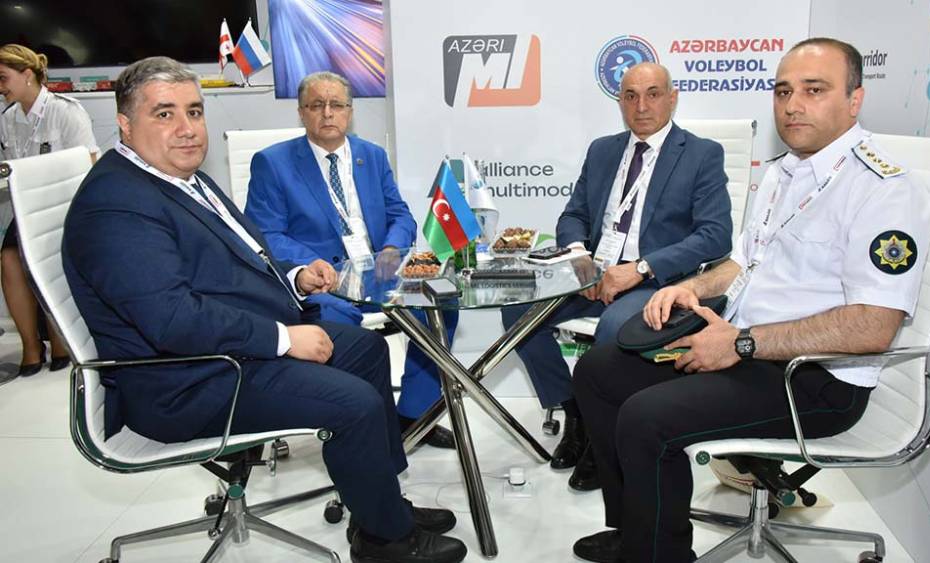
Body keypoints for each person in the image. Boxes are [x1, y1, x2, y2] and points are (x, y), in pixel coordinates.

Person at [62, 57, 466, 563]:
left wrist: (295, 277)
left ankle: (381, 503)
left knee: (366, 351)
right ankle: (387, 542)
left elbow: (247, 256)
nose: (187, 129)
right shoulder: (117, 204)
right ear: (125, 123)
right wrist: (283, 338)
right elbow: (172, 320)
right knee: (355, 403)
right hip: (188, 378)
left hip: (227, 346)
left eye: (194, 111)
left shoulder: (177, 178)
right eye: (164, 114)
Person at [570, 38, 930, 563]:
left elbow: (872, 326)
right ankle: (637, 533)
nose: (793, 105)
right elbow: (742, 264)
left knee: (647, 419)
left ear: (854, 99)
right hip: (748, 350)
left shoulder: (884, 191)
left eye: (814, 90)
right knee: (598, 373)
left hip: (815, 377)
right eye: (783, 91)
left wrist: (740, 343)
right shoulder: (784, 172)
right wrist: (690, 288)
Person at [500, 62, 733, 489]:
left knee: (614, 329)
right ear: (620, 102)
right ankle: (575, 412)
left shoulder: (701, 154)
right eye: (630, 96)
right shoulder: (603, 150)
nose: (641, 106)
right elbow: (574, 215)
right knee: (518, 315)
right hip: (594, 275)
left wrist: (640, 269)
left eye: (653, 94)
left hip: (658, 283)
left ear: (672, 98)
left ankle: (601, 439)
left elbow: (715, 236)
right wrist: (580, 259)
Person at [245, 71, 458, 449]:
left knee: (439, 303)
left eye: (337, 105)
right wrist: (312, 264)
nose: (328, 113)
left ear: (350, 111)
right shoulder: (272, 163)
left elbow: (400, 215)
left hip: (378, 271)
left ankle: (413, 416)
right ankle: (364, 426)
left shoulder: (371, 156)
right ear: (301, 112)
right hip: (321, 281)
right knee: (345, 329)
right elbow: (266, 234)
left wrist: (391, 247)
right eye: (316, 105)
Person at [0, 43, 98, 376]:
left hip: (66, 206)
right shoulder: (8, 118)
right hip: (27, 209)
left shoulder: (66, 111)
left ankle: (60, 340)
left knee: (49, 256)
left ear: (27, 74)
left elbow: (88, 166)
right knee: (9, 259)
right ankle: (31, 345)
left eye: (4, 78)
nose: (1, 87)